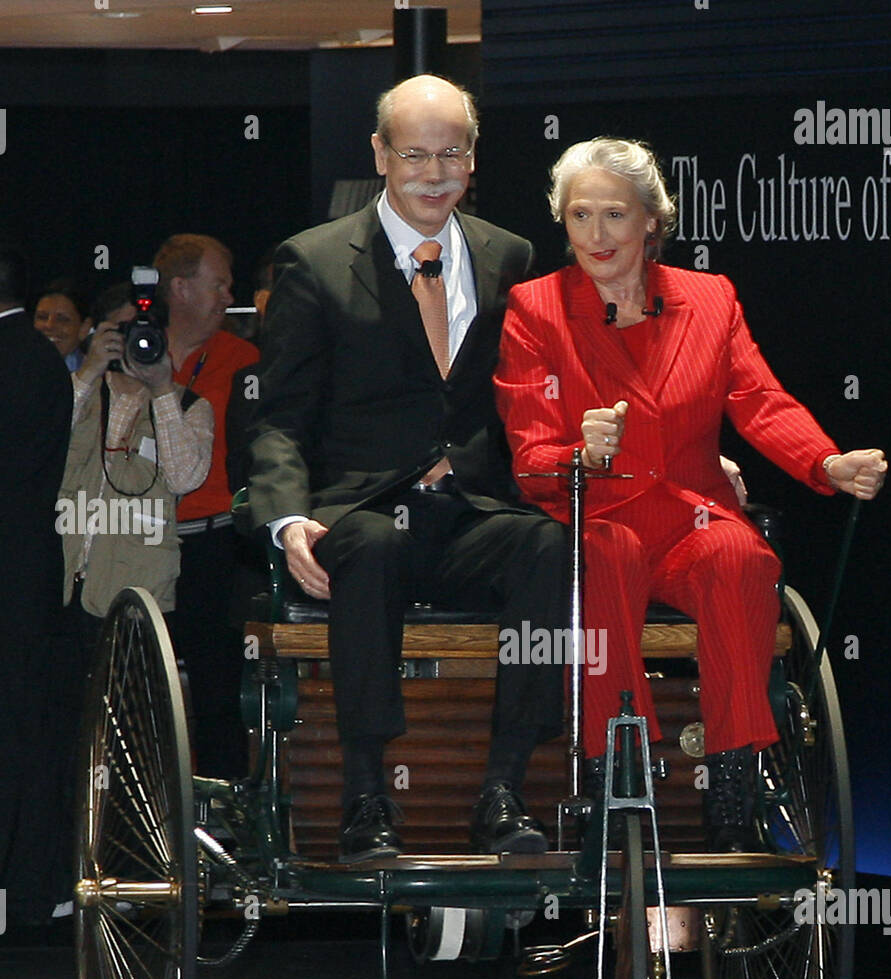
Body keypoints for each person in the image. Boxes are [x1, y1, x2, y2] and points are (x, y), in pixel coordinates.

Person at [495, 137, 888, 851]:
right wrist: (578, 455)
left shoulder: (708, 299)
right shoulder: (535, 308)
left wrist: (824, 462)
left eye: (614, 215)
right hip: (597, 515)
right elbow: (530, 457)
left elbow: (759, 399)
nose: (596, 236)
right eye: (579, 217)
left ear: (652, 220)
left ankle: (735, 773)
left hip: (688, 513)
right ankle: (619, 764)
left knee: (739, 558)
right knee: (603, 558)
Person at [248, 74, 567, 862]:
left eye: (450, 153)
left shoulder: (510, 255)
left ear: (473, 157)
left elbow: (539, 388)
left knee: (549, 546)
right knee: (377, 546)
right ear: (380, 156)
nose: (434, 173)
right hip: (358, 511)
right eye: (415, 154)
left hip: (468, 514)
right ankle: (365, 795)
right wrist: (288, 522)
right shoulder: (314, 261)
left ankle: (504, 788)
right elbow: (279, 416)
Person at [60, 287, 214, 663]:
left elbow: (184, 479)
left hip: (136, 594)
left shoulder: (188, 406)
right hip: (60, 586)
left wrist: (161, 389)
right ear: (97, 334)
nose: (135, 341)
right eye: (122, 331)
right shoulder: (74, 393)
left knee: (126, 714)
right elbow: (39, 447)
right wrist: (89, 369)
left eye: (145, 332)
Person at [153, 233, 259, 778]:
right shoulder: (130, 350)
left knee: (219, 693)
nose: (227, 294)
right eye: (218, 282)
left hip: (215, 545)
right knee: (142, 692)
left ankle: (228, 830)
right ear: (180, 288)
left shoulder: (245, 360)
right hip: (139, 545)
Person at [0, 244, 77, 922]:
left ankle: (25, 875)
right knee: (30, 716)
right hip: (29, 563)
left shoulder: (15, 358)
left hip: (12, 565)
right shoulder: (41, 358)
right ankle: (34, 876)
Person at [33, 280, 93, 372]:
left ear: (84, 328)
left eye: (62, 319)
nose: (49, 325)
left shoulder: (96, 373)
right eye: (42, 317)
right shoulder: (13, 365)